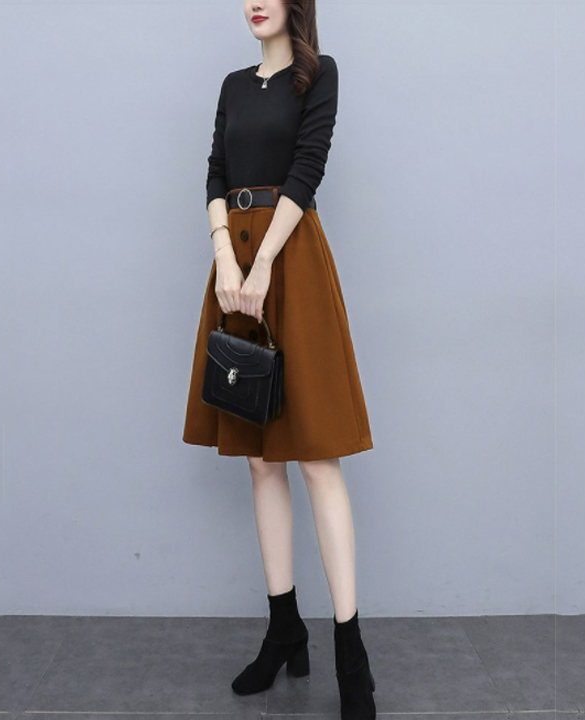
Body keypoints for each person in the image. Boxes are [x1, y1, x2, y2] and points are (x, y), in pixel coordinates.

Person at [182, 1, 377, 717]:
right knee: (261, 459)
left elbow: (307, 168)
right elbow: (214, 173)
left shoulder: (318, 76)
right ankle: (283, 628)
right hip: (234, 265)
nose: (254, 1)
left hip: (289, 262)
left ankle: (351, 652)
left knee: (316, 455)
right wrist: (225, 259)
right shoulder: (233, 85)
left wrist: (262, 262)